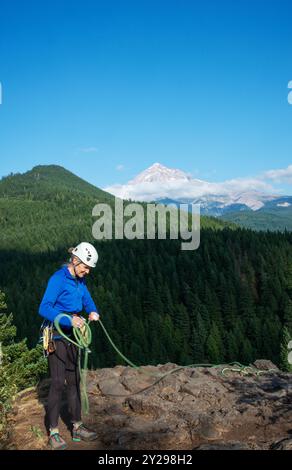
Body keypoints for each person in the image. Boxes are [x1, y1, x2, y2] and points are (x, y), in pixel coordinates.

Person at [39, 242, 100, 450]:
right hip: (56, 334)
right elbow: (44, 307)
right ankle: (54, 432)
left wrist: (92, 311)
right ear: (75, 261)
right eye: (85, 266)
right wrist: (68, 320)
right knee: (57, 382)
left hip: (73, 334)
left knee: (74, 380)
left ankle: (77, 426)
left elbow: (87, 299)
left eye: (89, 268)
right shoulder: (58, 279)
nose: (87, 271)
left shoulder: (79, 281)